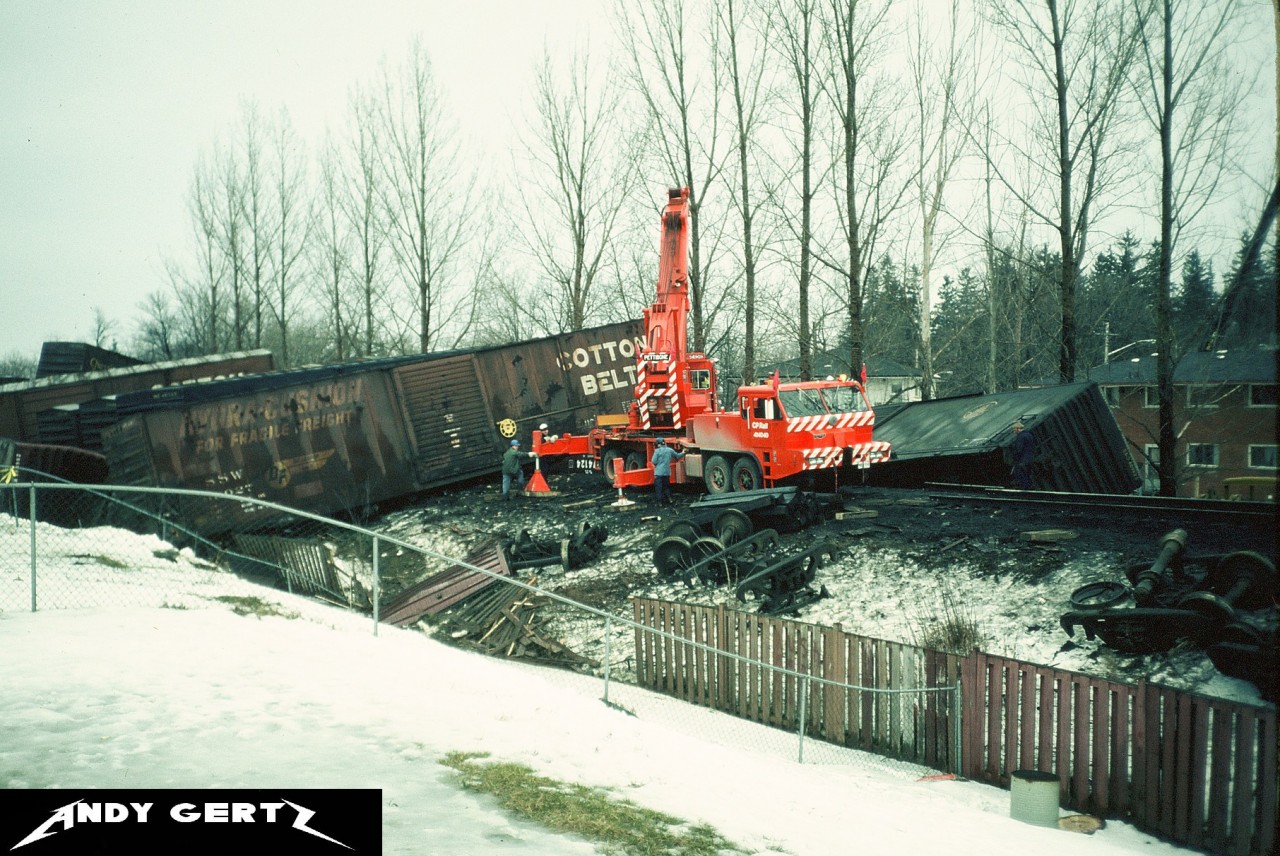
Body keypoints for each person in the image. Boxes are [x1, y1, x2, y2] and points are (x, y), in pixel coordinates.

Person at [650, 438, 686, 507]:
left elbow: (653, 461)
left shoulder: (657, 451)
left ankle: (659, 503)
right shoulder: (670, 450)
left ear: (658, 444)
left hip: (658, 473)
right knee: (666, 487)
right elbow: (677, 456)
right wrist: (683, 452)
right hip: (667, 472)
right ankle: (670, 499)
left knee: (658, 488)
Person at [1011, 420, 1035, 489]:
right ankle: (1030, 487)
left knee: (1020, 473)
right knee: (1028, 474)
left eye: (1014, 429)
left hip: (1022, 459)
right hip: (1030, 458)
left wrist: (1015, 458)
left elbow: (1019, 449)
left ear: (1018, 429)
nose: (1014, 431)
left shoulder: (1020, 437)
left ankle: (1024, 489)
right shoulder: (1029, 435)